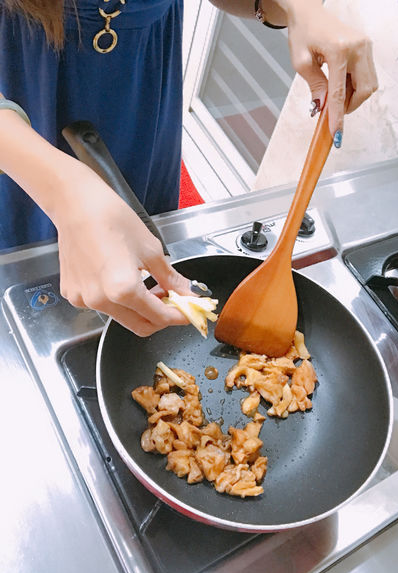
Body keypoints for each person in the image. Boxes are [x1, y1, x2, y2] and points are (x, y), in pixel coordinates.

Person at [0, 0, 378, 336]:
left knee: (143, 246)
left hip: (143, 90)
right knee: (32, 276)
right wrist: (61, 189)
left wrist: (298, 6)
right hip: (20, 110)